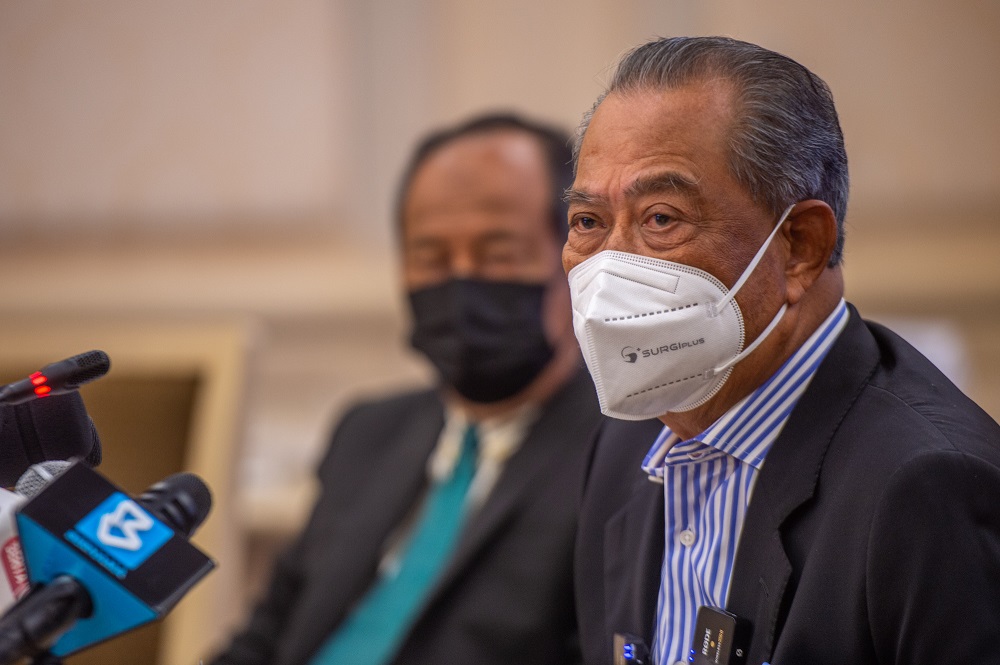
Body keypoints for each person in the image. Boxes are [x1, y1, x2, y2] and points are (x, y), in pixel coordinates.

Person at [565, 37, 1000, 665]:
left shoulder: (928, 487)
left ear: (800, 245)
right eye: (587, 222)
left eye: (661, 218)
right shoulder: (625, 444)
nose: (610, 266)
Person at [210, 113, 602, 665]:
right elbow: (269, 635)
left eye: (497, 252)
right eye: (431, 257)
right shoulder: (368, 431)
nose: (461, 279)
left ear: (575, 257)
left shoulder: (627, 455)